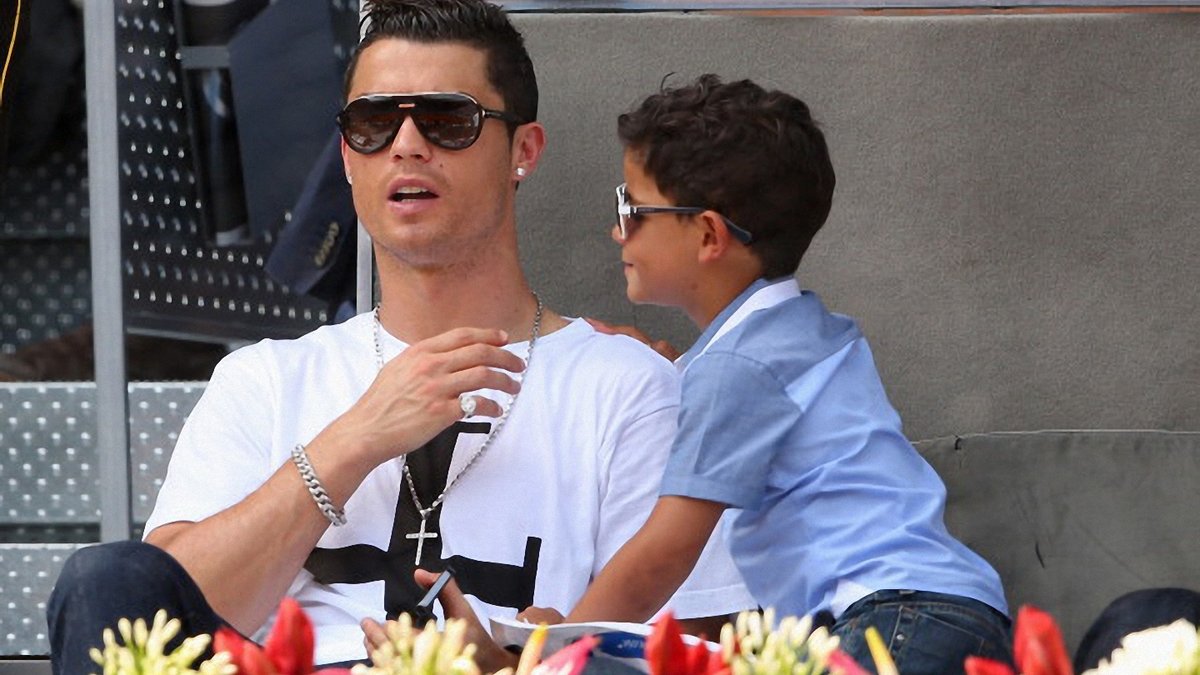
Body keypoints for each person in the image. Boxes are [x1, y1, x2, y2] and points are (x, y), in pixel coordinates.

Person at [45, 3, 752, 671]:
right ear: (347, 157)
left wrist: (519, 665)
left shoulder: (626, 385)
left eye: (448, 120)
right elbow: (159, 608)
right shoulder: (265, 378)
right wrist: (353, 441)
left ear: (523, 150)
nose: (406, 145)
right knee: (106, 577)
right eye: (373, 123)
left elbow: (693, 644)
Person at [519, 74, 1013, 673]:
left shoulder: (737, 368)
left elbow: (664, 553)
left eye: (633, 208)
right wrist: (676, 369)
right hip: (947, 611)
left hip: (890, 618)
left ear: (708, 234)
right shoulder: (801, 329)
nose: (617, 229)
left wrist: (561, 646)